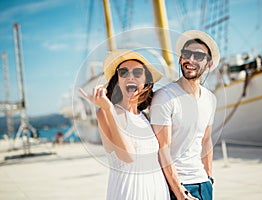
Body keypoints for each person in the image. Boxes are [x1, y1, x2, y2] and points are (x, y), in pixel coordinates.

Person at [79, 49, 170, 200]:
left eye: (137, 73)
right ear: (118, 80)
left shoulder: (145, 117)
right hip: (129, 193)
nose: (130, 77)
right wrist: (108, 109)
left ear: (145, 80)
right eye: (124, 72)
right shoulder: (105, 113)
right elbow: (128, 156)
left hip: (157, 191)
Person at [150, 30, 220, 200]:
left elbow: (206, 140)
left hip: (203, 184)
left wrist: (208, 177)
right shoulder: (164, 97)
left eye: (199, 56)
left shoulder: (210, 99)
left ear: (209, 63)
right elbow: (163, 148)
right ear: (180, 58)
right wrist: (180, 193)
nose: (191, 60)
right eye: (186, 54)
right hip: (176, 186)